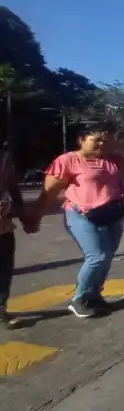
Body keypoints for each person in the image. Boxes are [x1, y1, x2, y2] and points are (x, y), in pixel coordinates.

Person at [34, 122, 124, 318]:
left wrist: (122, 149)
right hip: (82, 215)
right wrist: (35, 217)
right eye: (97, 139)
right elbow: (49, 192)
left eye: (107, 140)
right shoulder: (68, 160)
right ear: (82, 140)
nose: (103, 143)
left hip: (113, 214)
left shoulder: (115, 160)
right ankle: (79, 298)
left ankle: (94, 295)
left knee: (106, 258)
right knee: (97, 256)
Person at [0, 139, 31, 328]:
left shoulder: (3, 157)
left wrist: (22, 213)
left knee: (4, 268)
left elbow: (11, 185)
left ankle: (1, 309)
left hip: (2, 223)